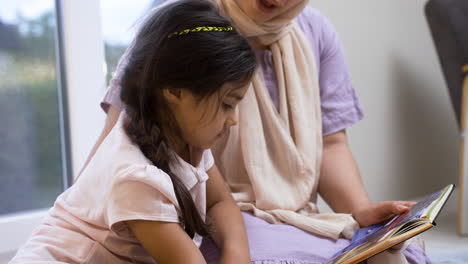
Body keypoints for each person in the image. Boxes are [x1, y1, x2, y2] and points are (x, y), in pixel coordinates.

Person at [93, 0, 432, 263]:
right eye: (228, 105)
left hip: (283, 215)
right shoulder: (181, 23)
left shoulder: (314, 31)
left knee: (396, 253)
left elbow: (331, 145)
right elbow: (117, 145)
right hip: (199, 220)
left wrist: (365, 221)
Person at [9, 1, 256, 263]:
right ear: (174, 91)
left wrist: (236, 252)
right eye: (227, 104)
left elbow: (220, 202)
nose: (233, 121)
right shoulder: (137, 176)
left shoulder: (185, 141)